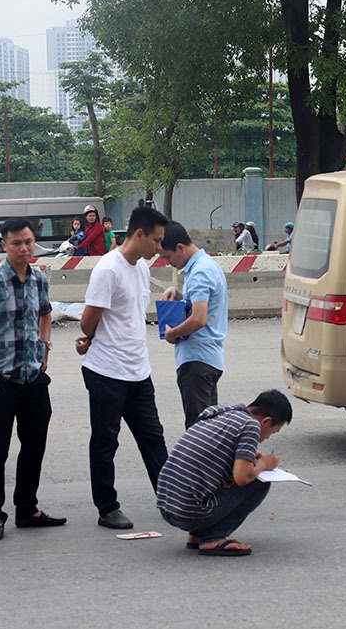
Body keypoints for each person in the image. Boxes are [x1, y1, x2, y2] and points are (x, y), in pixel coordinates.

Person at [0, 217, 66, 541]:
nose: (24, 248)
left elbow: (46, 312)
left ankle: (27, 509)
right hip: (0, 376)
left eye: (29, 241)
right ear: (4, 245)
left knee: (34, 445)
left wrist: (45, 348)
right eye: (17, 243)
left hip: (33, 375)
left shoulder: (39, 279)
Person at [77, 206, 169, 530]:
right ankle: (107, 507)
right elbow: (89, 321)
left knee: (153, 437)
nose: (159, 248)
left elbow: (128, 316)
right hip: (106, 370)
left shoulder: (141, 268)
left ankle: (171, 497)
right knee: (106, 440)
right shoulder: (108, 269)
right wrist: (89, 338)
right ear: (139, 234)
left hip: (137, 369)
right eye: (156, 241)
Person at [156, 389, 291, 556]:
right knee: (259, 483)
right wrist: (263, 463)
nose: (269, 437)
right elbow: (242, 478)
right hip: (188, 513)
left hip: (166, 505)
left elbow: (215, 455)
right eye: (273, 431)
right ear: (266, 421)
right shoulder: (251, 425)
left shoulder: (221, 413)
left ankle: (197, 536)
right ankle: (212, 538)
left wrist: (247, 458)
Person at [158, 221, 229, 428]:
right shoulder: (206, 265)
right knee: (207, 429)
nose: (167, 262)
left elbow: (199, 319)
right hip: (207, 359)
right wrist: (180, 295)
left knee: (198, 432)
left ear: (180, 247)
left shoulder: (199, 272)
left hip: (197, 360)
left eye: (167, 256)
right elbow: (202, 304)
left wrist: (172, 334)